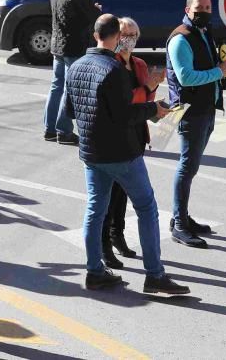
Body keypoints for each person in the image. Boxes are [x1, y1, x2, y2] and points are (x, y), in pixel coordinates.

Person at [64, 14, 189, 295]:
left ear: (95, 34)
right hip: (120, 152)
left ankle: (95, 271)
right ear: (117, 37)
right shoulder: (113, 69)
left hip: (91, 152)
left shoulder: (76, 67)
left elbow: (69, 112)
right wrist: (153, 109)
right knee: (146, 207)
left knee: (95, 210)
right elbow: (123, 115)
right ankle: (154, 275)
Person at [167, 0, 226, 248]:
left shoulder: (203, 33)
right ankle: (179, 224)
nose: (203, 11)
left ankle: (181, 217)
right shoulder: (181, 39)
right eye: (198, 7)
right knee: (187, 167)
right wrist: (219, 71)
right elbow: (186, 78)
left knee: (191, 167)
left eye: (207, 7)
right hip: (191, 112)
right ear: (187, 8)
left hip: (207, 108)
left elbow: (212, 68)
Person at [101, 17, 165, 268]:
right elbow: (123, 102)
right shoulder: (110, 63)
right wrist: (148, 86)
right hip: (115, 137)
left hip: (136, 134)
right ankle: (105, 242)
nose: (129, 39)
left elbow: (145, 99)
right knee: (108, 195)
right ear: (115, 36)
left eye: (134, 34)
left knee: (123, 193)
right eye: (125, 34)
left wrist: (153, 93)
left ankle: (118, 234)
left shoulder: (138, 63)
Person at [44, 0, 101, 146]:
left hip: (57, 44)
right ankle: (64, 131)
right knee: (69, 88)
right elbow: (90, 17)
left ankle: (50, 129)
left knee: (56, 86)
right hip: (74, 45)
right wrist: (96, 9)